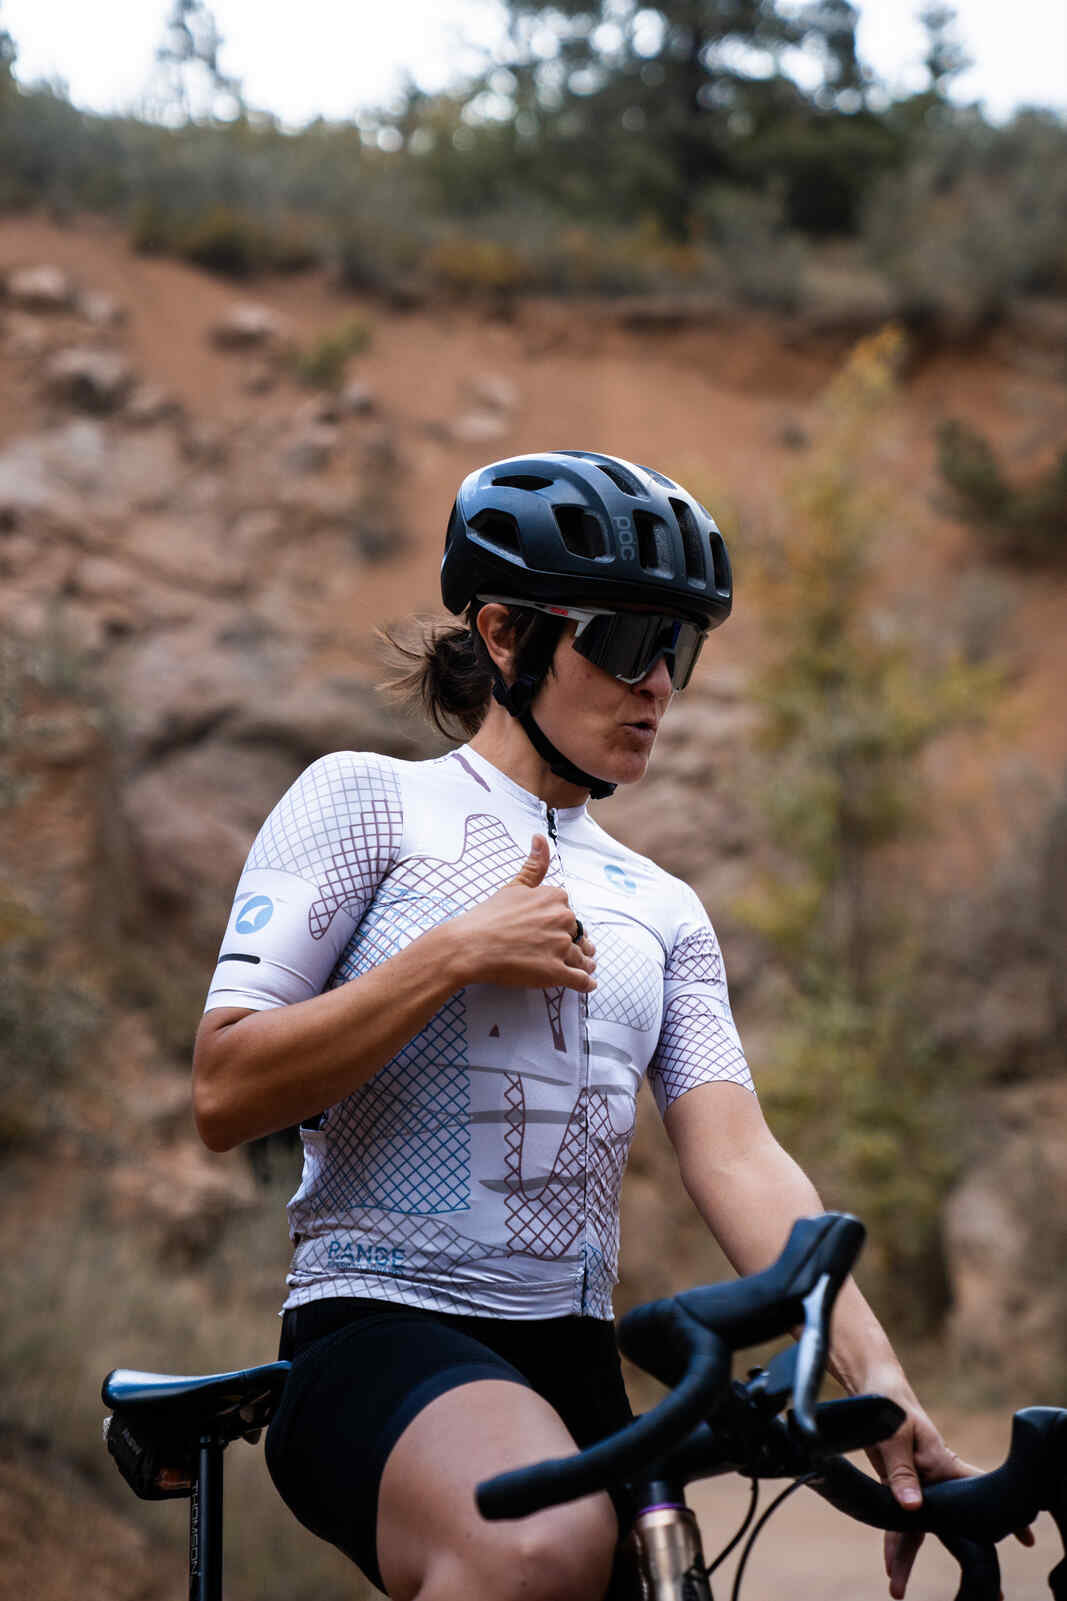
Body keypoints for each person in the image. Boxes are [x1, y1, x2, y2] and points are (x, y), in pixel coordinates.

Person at [193, 450, 989, 1601]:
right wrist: (454, 955)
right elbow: (224, 1088)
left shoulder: (661, 906)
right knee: (537, 1545)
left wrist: (880, 1379)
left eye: (682, 648)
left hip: (574, 1360)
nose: (658, 682)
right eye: (625, 642)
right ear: (507, 631)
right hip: (378, 1330)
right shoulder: (365, 801)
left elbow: (735, 1152)